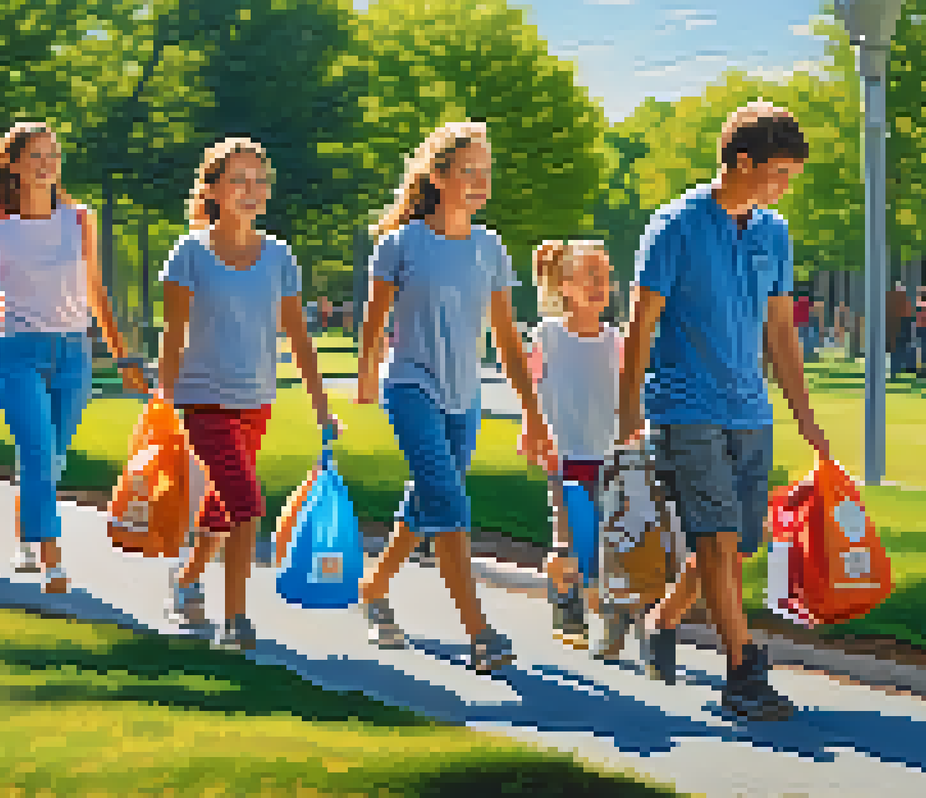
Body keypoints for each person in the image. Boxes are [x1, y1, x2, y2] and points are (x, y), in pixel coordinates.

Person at [620, 101, 830, 721]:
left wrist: (804, 415)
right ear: (742, 162)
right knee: (714, 536)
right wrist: (627, 415)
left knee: (736, 546)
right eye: (779, 174)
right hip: (685, 406)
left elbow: (781, 333)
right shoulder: (674, 226)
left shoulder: (773, 233)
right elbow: (640, 328)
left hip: (749, 408)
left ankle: (663, 623)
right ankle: (742, 671)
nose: (784, 187)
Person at [353, 120, 554, 674]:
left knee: (426, 502)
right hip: (411, 386)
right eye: (469, 170)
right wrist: (368, 375)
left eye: (486, 171)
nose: (481, 181)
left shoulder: (490, 250)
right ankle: (480, 632)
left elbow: (509, 341)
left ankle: (374, 587)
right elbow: (373, 323)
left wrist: (533, 415)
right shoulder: (401, 244)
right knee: (447, 501)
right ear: (438, 177)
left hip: (464, 397)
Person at [159, 137, 337, 650]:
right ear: (212, 189)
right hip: (203, 398)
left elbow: (299, 338)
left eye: (258, 180)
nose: (251, 190)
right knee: (247, 504)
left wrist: (321, 405)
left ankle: (188, 577)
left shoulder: (278, 255)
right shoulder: (190, 253)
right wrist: (165, 399)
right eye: (238, 180)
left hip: (256, 399)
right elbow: (174, 332)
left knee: (223, 505)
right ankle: (233, 620)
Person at [0, 122, 140, 594]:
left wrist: (122, 357)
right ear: (15, 166)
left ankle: (28, 530)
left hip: (73, 354)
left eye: (53, 155)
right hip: (19, 353)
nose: (47, 164)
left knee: (52, 457)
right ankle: (52, 558)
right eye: (36, 156)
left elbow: (96, 290)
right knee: (39, 451)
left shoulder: (78, 218)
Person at [527, 239, 637, 659]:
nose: (600, 285)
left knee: (609, 541)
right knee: (566, 541)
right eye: (590, 276)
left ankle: (604, 607)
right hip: (565, 456)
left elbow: (629, 397)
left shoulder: (616, 341)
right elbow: (530, 387)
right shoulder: (549, 335)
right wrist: (533, 431)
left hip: (610, 459)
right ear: (565, 285)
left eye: (605, 277)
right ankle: (564, 597)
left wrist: (635, 434)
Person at [886, 282, 910, 377]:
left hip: (893, 327)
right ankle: (896, 370)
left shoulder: (889, 298)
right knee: (899, 350)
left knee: (894, 351)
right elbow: (907, 314)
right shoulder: (903, 299)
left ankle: (894, 371)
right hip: (900, 326)